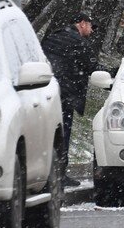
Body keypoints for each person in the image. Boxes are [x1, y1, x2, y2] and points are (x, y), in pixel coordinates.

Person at [41, 11, 99, 187]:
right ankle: (60, 174)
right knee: (63, 134)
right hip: (66, 95)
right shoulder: (79, 43)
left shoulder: (51, 38)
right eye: (90, 25)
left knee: (49, 134)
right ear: (82, 23)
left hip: (47, 92)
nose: (92, 30)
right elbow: (92, 67)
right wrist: (115, 73)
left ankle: (47, 172)